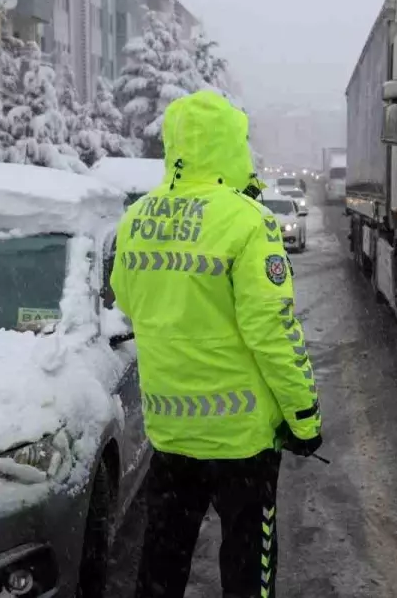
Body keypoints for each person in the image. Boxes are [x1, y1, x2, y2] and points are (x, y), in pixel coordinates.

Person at [111, 90, 322, 598]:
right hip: (241, 442)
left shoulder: (137, 220)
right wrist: (304, 418)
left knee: (162, 562)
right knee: (248, 569)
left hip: (170, 432)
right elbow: (273, 331)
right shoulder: (248, 221)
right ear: (232, 145)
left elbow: (127, 299)